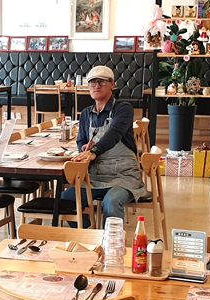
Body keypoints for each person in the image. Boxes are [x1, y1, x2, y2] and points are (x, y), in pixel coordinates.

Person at [62, 65, 149, 226]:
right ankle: (87, 233)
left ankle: (111, 240)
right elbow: (81, 140)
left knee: (112, 201)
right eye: (92, 82)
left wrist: (94, 150)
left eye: (101, 82)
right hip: (94, 177)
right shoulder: (86, 113)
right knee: (66, 199)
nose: (96, 86)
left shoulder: (123, 108)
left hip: (123, 177)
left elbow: (114, 133)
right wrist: (84, 149)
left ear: (112, 85)